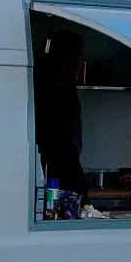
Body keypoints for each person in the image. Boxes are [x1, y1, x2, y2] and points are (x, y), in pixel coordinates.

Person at [33, 30, 88, 196]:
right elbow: (64, 146)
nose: (81, 62)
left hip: (54, 173)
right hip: (59, 175)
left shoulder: (51, 88)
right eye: (78, 56)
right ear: (66, 59)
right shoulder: (58, 93)